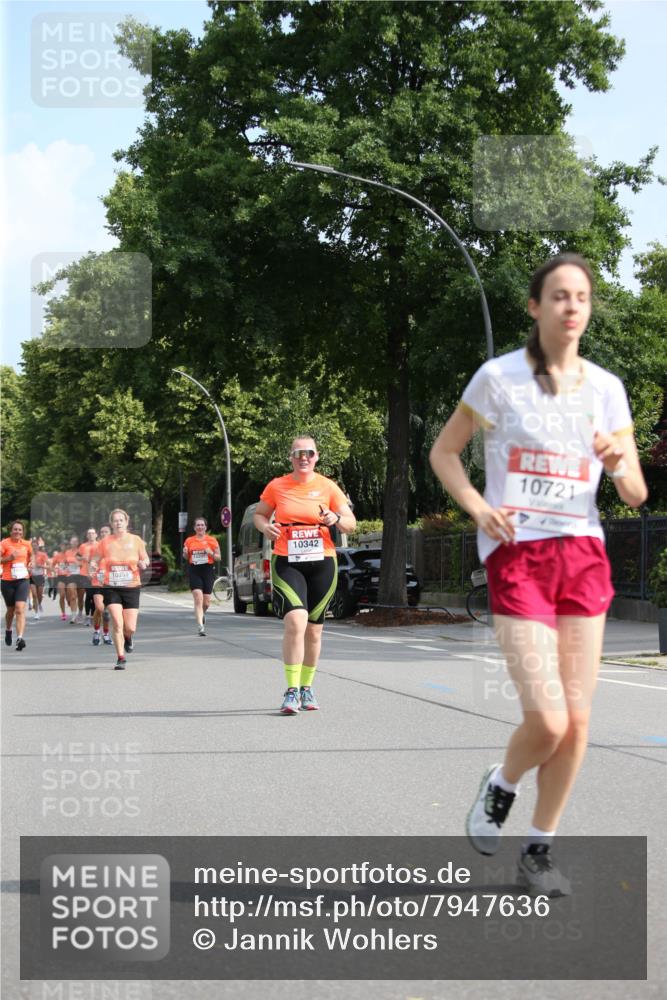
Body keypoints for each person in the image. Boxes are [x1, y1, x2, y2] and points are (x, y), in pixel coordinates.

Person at [429, 254, 648, 897]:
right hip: (518, 554)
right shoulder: (498, 379)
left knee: (577, 723)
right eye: (558, 295)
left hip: (582, 555)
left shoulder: (605, 389)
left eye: (581, 296)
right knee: (548, 721)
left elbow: (635, 492)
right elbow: (444, 452)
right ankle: (501, 785)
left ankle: (538, 850)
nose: (571, 306)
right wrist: (478, 507)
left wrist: (617, 460)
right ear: (535, 306)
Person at [253, 436, 356, 714]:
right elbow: (260, 515)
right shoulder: (277, 485)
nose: (304, 458)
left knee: (314, 628)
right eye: (298, 453)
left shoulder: (328, 486)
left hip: (322, 561)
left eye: (309, 453)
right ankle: (291, 691)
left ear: (316, 456)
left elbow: (350, 523)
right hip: (288, 560)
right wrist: (265, 527)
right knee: (296, 621)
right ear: (291, 457)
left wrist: (336, 519)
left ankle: (306, 687)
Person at [94, 510, 150, 669]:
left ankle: (128, 638)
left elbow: (145, 557)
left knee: (130, 627)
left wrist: (144, 563)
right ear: (111, 523)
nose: (118, 523)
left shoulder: (136, 540)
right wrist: (93, 565)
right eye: (115, 520)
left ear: (126, 522)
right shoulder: (105, 542)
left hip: (131, 586)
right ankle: (121, 658)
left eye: (121, 520)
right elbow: (96, 559)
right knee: (117, 622)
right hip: (112, 587)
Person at [183, 518, 221, 636]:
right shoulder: (189, 540)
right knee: (198, 598)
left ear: (205, 527)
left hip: (207, 570)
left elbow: (218, 558)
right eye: (198, 525)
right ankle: (200, 626)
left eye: (202, 525)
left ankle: (202, 613)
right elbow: (186, 557)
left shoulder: (212, 540)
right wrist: (185, 553)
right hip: (195, 570)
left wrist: (210, 553)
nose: (200, 527)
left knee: (206, 602)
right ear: (194, 528)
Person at [1, 520, 33, 651]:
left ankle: (20, 638)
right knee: (11, 610)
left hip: (22, 580)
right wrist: (8, 558)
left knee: (19, 609)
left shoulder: (27, 544)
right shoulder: (4, 543)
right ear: (11, 531)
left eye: (20, 530)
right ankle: (8, 629)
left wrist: (30, 563)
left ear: (23, 532)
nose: (17, 532)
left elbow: (31, 557)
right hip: (7, 581)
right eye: (15, 529)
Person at [90, 525, 112, 646]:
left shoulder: (114, 547)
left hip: (111, 583)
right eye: (102, 532)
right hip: (98, 582)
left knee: (106, 613)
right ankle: (97, 631)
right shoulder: (96, 547)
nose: (103, 534)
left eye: (106, 532)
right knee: (99, 608)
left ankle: (106, 634)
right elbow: (91, 562)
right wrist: (91, 569)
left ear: (110, 533)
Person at [29, 539, 49, 619]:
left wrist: (41, 566)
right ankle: (37, 613)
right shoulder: (29, 555)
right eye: (33, 546)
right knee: (34, 594)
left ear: (38, 546)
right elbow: (25, 564)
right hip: (32, 576)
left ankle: (39, 604)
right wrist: (28, 568)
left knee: (39, 595)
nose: (34, 547)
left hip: (40, 576)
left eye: (35, 546)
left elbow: (49, 565)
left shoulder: (43, 555)